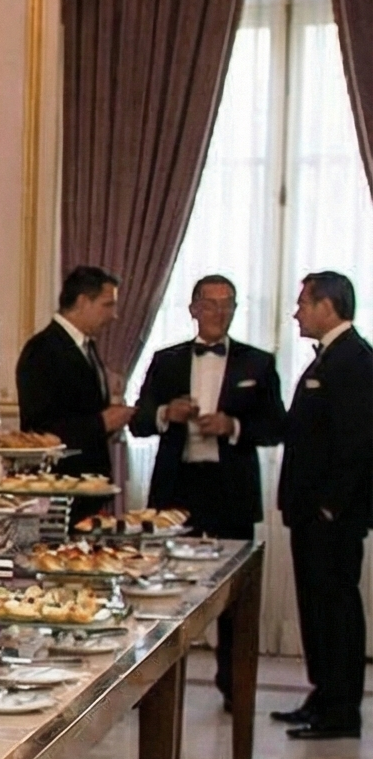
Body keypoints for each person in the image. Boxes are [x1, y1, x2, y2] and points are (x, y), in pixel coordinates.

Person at [129, 275, 286, 701]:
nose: (218, 312)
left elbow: (276, 427)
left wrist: (232, 426)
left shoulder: (258, 363)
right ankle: (156, 686)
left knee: (234, 597)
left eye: (227, 304)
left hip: (230, 490)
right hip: (176, 491)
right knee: (163, 590)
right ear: (193, 308)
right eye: (210, 303)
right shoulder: (167, 360)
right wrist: (166, 412)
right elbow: (139, 421)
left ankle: (234, 687)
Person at [274, 270, 373, 740]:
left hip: (332, 517)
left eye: (303, 304)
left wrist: (332, 506)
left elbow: (358, 443)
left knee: (336, 609)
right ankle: (324, 694)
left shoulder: (354, 360)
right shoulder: (330, 358)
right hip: (311, 513)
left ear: (328, 307)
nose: (297, 312)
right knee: (316, 607)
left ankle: (340, 709)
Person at [15, 264, 133, 479]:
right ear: (82, 302)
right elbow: (38, 430)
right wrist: (102, 422)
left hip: (89, 482)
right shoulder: (42, 349)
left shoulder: (86, 347)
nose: (114, 315)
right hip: (62, 482)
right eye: (107, 305)